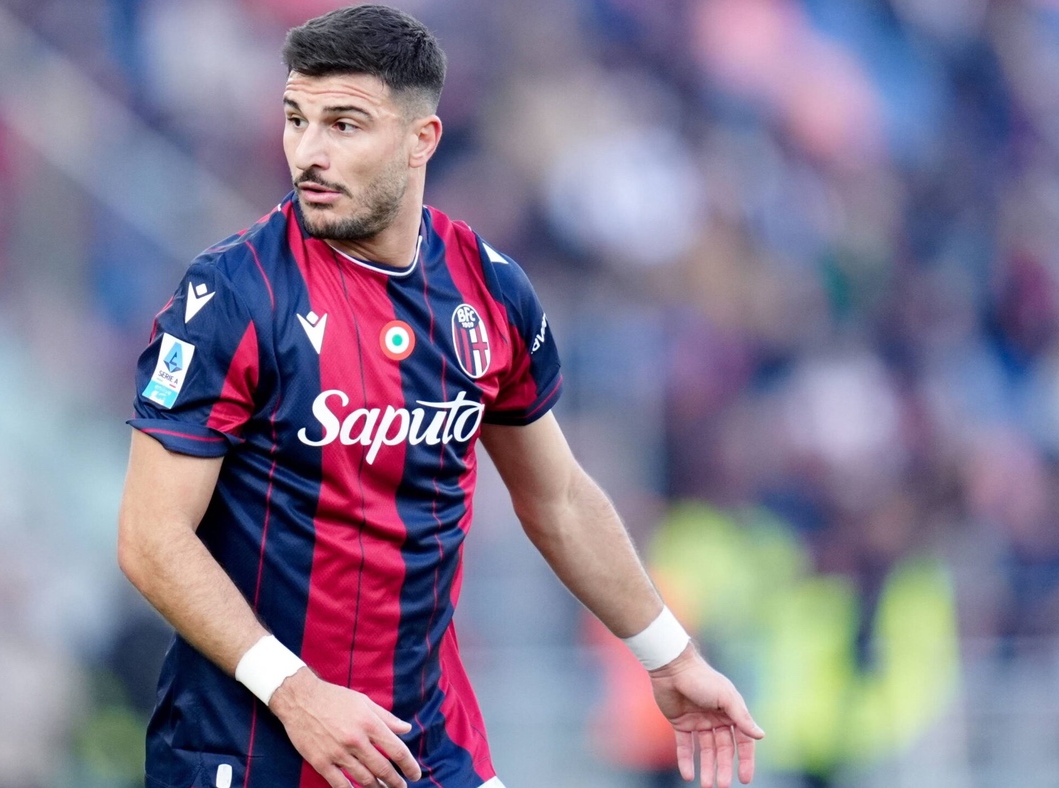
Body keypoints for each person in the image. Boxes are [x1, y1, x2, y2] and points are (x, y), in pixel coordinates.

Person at [117, 5, 763, 788]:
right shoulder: (234, 294)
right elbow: (151, 536)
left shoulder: (488, 291)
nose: (310, 152)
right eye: (296, 119)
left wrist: (671, 657)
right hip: (248, 749)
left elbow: (557, 498)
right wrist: (294, 692)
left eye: (344, 125)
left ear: (421, 139)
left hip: (425, 749)